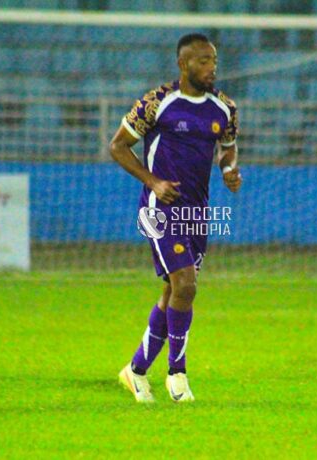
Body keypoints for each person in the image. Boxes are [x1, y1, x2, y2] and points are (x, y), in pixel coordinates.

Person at [109, 33, 241, 402]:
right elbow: (118, 146)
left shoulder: (224, 107)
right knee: (185, 285)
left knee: (173, 291)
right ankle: (177, 374)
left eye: (214, 61)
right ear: (183, 64)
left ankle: (136, 370)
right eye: (203, 61)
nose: (211, 68)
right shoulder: (157, 102)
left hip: (197, 211)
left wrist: (229, 170)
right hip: (159, 207)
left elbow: (228, 150)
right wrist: (152, 181)